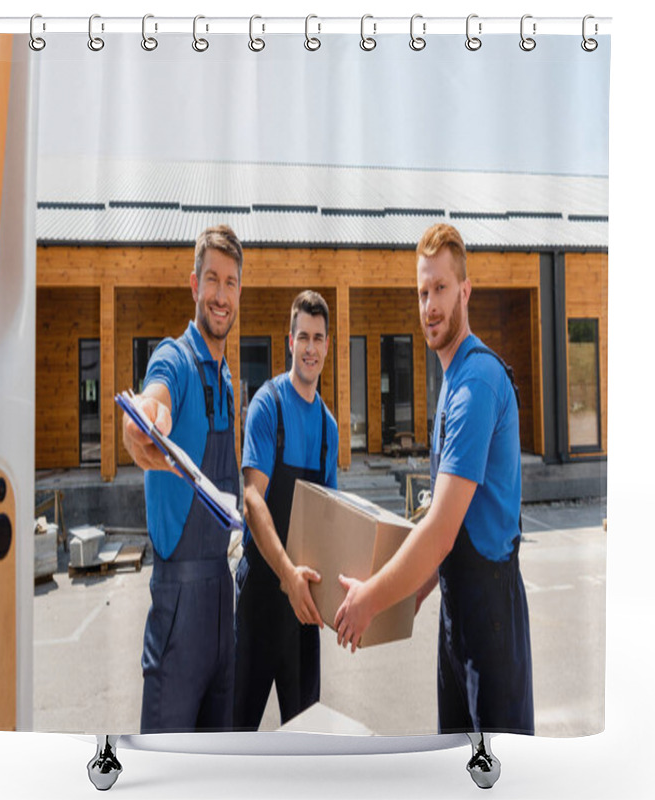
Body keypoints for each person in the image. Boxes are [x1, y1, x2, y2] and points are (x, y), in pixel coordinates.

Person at [334, 223, 534, 735]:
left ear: (465, 291)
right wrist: (414, 593)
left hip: (490, 618)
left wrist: (371, 600)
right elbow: (446, 535)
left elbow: (441, 528)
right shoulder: (451, 383)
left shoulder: (476, 385)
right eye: (422, 293)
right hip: (459, 613)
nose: (430, 306)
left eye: (441, 289)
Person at [121, 224, 243, 733]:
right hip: (178, 609)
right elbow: (151, 403)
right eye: (211, 280)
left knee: (218, 773)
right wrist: (144, 421)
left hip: (224, 599)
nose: (220, 294)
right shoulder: (173, 358)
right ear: (194, 285)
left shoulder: (229, 378)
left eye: (231, 282)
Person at [234, 290, 339, 731]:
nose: (310, 348)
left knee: (304, 739)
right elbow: (252, 499)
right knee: (234, 735)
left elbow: (333, 519)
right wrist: (286, 574)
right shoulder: (267, 405)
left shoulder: (328, 428)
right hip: (261, 597)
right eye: (303, 337)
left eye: (318, 338)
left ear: (328, 345)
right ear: (289, 342)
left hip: (304, 611)